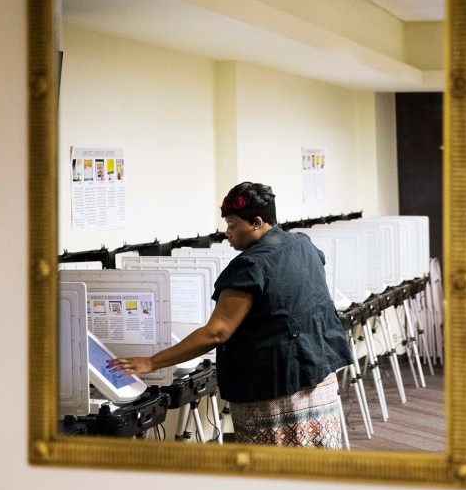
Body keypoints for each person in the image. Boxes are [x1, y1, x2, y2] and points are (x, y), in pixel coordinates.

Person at [108, 181, 353, 448]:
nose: (227, 233)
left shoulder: (250, 265)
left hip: (277, 388)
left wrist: (152, 362)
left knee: (272, 474)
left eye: (233, 225)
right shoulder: (302, 244)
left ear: (257, 222)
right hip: (318, 379)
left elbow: (216, 332)